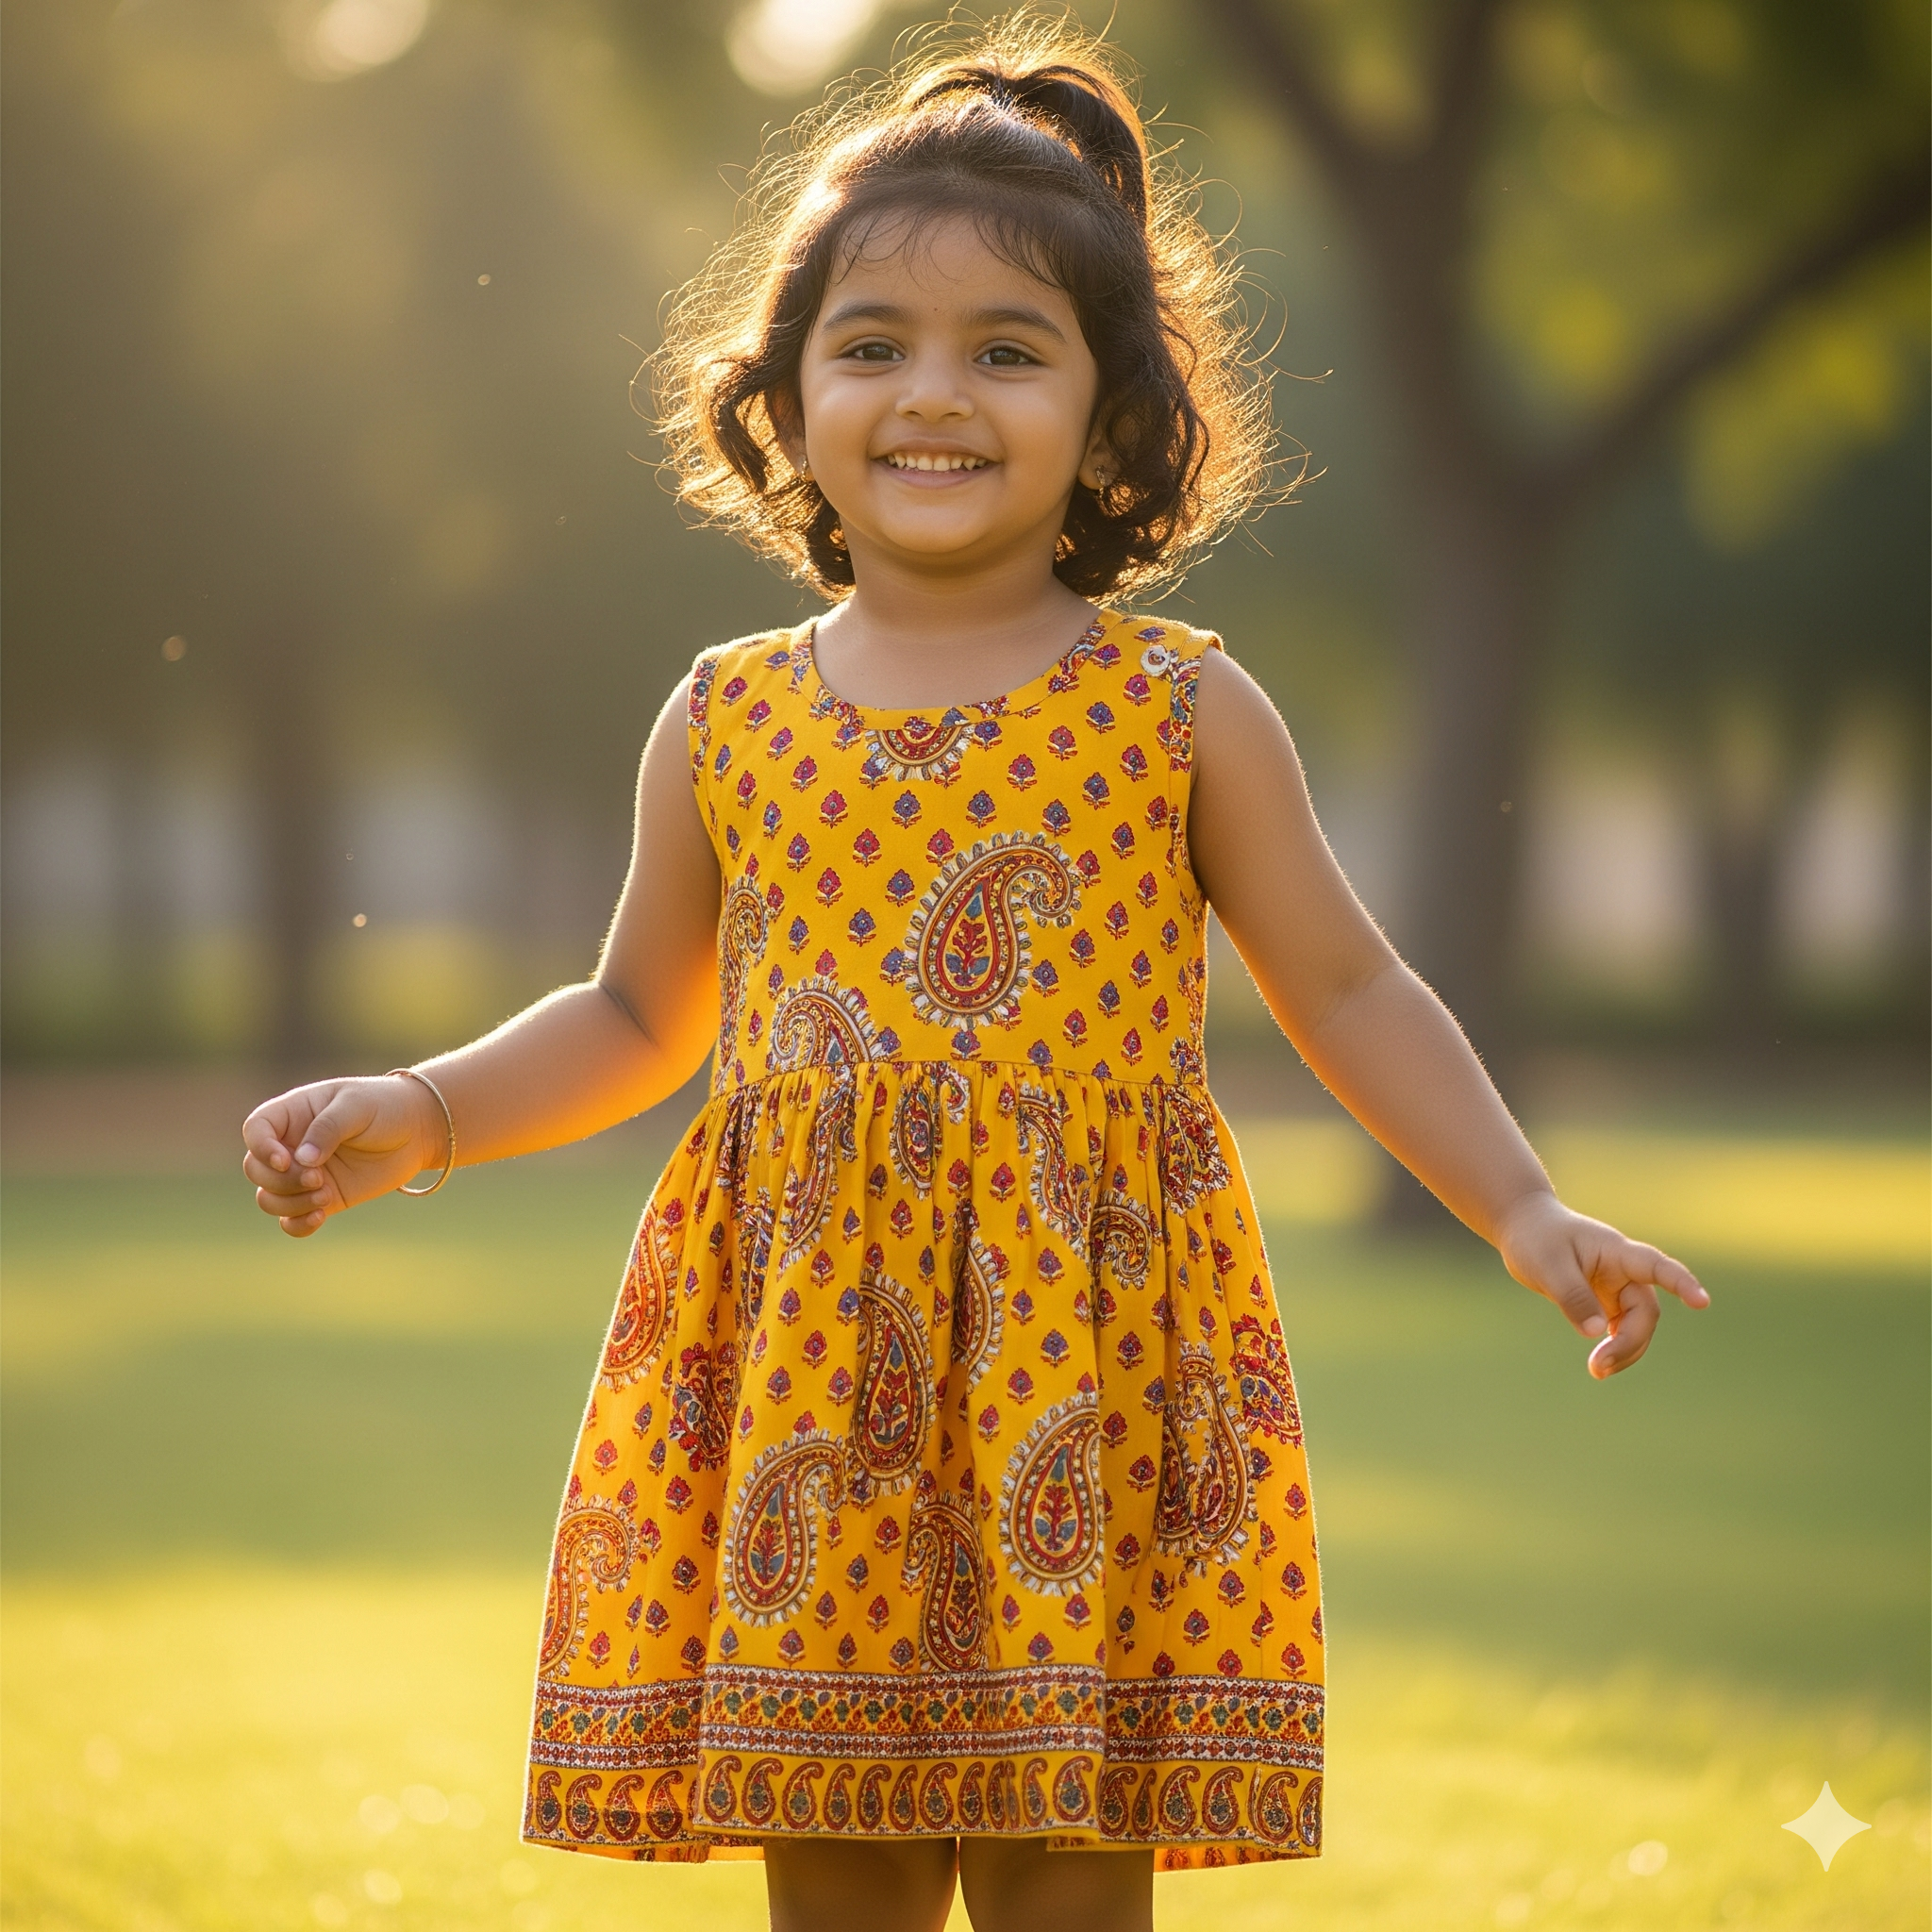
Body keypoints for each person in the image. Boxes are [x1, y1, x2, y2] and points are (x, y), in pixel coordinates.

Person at [242, 22, 1707, 1932]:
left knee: (1058, 1885)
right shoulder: (724, 717)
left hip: (1084, 1379)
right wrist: (420, 1112)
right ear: (783, 401)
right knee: (834, 1880)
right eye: (873, 345)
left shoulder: (1180, 708)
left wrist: (1515, 1203)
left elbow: (1345, 990)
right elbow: (633, 1016)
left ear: (1110, 419)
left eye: (1007, 350)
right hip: (805, 1382)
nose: (935, 395)